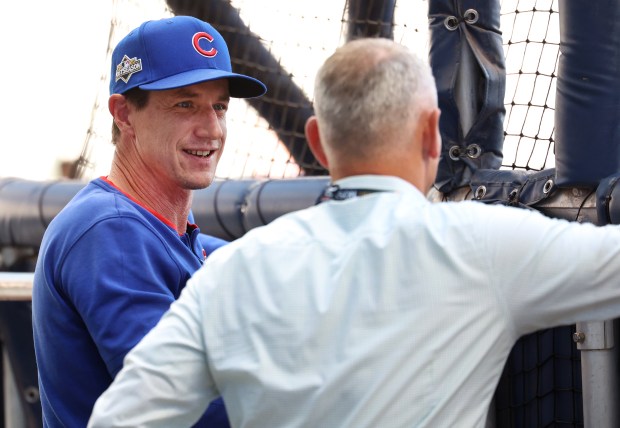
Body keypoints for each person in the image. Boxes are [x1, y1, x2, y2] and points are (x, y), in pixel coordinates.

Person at [88, 37, 620, 428]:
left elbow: (120, 422)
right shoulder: (481, 243)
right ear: (433, 134)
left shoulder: (232, 269)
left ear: (317, 143)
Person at [32, 15, 266, 428]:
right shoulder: (108, 228)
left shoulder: (188, 241)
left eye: (219, 106)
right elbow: (183, 406)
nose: (211, 129)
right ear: (124, 113)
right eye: (185, 104)